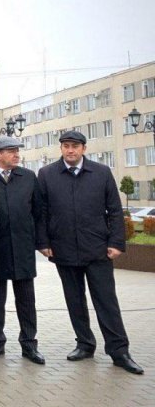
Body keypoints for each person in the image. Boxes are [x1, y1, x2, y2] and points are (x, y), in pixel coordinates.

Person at [38, 130, 143, 375]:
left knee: (106, 301)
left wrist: (117, 243)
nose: (70, 150)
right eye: (66, 146)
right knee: (74, 301)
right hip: (63, 249)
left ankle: (119, 351)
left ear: (84, 148)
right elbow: (41, 212)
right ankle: (85, 344)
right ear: (61, 149)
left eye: (75, 146)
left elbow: (115, 211)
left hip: (97, 250)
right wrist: (43, 243)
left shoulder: (102, 173)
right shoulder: (47, 174)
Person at [0, 136, 46, 365]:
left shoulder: (28, 177)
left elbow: (39, 213)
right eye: (11, 151)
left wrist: (41, 243)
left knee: (27, 301)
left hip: (22, 248)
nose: (16, 154)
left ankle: (29, 345)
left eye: (17, 150)